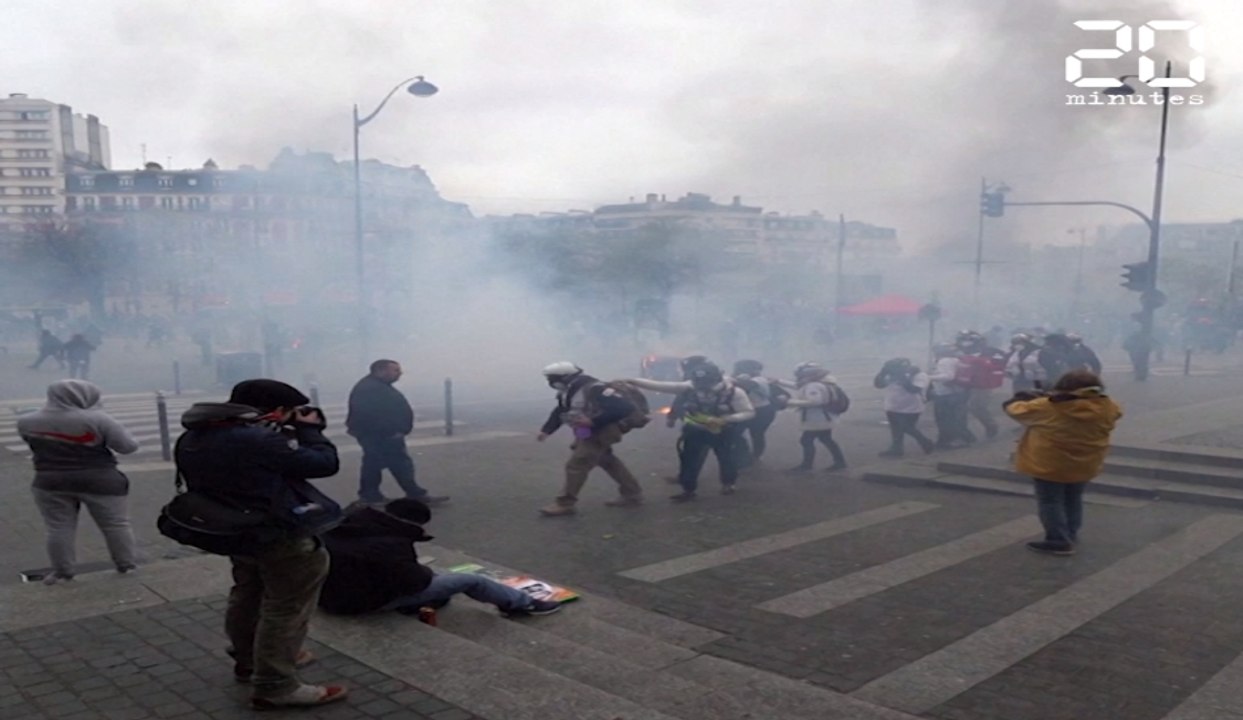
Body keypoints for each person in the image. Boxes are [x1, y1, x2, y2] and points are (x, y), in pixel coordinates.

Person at [176, 379, 347, 709]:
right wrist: (310, 431)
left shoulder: (195, 435)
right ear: (276, 410)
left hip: (235, 531)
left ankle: (248, 659)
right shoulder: (257, 439)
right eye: (290, 411)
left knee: (247, 594)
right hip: (277, 531)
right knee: (285, 607)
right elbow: (325, 464)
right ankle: (276, 684)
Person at [320, 498, 562, 616]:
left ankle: (422, 600)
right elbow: (414, 583)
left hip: (329, 596)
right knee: (471, 580)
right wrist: (425, 573)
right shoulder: (392, 544)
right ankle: (523, 604)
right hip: (361, 603)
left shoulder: (348, 523)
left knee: (434, 579)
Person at [18, 379, 139, 585]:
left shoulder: (27, 421)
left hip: (49, 480)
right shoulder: (98, 419)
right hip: (100, 480)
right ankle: (125, 565)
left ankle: (63, 572)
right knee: (115, 524)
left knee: (58, 527)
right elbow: (127, 447)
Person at [1003, 369, 1122, 556]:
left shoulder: (1048, 406)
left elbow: (1015, 409)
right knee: (1073, 498)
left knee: (1050, 501)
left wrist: (1023, 398)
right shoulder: (1108, 406)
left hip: (1050, 463)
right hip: (1085, 462)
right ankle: (1070, 534)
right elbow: (1115, 413)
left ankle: (1057, 541)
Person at [629, 362, 755, 501]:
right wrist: (631, 381)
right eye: (699, 383)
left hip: (723, 431)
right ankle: (688, 489)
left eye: (707, 383)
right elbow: (660, 386)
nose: (702, 387)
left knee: (726, 458)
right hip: (695, 430)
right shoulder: (690, 387)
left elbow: (748, 412)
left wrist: (725, 419)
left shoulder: (734, 392)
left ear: (717, 379)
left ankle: (728, 483)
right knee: (689, 460)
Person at [537, 362, 644, 516]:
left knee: (577, 464)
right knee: (606, 460)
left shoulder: (595, 389)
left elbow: (624, 408)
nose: (550, 382)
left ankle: (565, 503)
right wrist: (546, 430)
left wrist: (594, 421)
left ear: (565, 377)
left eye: (552, 378)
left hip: (602, 431)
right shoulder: (567, 391)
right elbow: (560, 410)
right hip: (585, 431)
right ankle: (632, 493)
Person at [346, 359, 448, 507]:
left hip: (380, 434)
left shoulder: (375, 386)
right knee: (389, 464)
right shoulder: (371, 389)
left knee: (382, 464)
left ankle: (375, 495)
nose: (400, 373)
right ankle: (380, 495)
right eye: (395, 370)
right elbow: (371, 415)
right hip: (381, 435)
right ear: (380, 371)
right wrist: (392, 431)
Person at [782, 362, 849, 473]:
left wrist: (789, 402)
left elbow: (815, 402)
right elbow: (798, 386)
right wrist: (779, 381)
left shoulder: (813, 385)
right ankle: (840, 462)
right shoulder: (821, 382)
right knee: (826, 439)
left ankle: (806, 466)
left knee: (806, 440)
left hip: (818, 419)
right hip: (825, 418)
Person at [873, 358, 934, 457]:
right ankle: (896, 449)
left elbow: (914, 389)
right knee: (896, 429)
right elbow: (878, 385)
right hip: (893, 406)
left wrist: (902, 377)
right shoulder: (891, 375)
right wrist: (883, 372)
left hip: (912, 407)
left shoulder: (919, 375)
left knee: (907, 427)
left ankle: (925, 442)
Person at [955, 330, 1006, 440]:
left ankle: (991, 426)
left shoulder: (990, 352)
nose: (965, 343)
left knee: (977, 407)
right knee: (961, 409)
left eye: (969, 340)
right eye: (963, 340)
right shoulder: (957, 352)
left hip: (982, 384)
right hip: (963, 384)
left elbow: (999, 363)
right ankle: (964, 433)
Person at [732, 359, 780, 462]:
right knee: (735, 433)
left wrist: (732, 380)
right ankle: (744, 454)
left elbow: (747, 385)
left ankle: (755, 456)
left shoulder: (759, 380)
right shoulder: (745, 379)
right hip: (748, 410)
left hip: (762, 411)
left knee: (757, 434)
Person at [929, 343, 975, 449]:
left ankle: (949, 440)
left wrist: (929, 377)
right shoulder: (955, 360)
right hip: (957, 393)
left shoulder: (944, 361)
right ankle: (963, 438)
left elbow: (948, 376)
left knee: (945, 419)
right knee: (956, 418)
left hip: (947, 394)